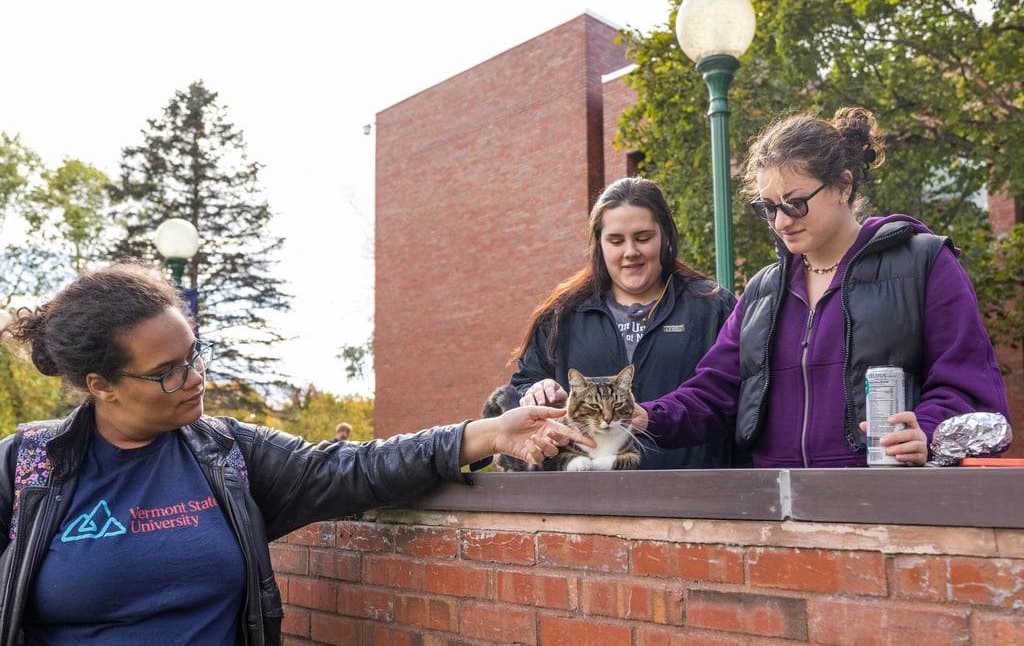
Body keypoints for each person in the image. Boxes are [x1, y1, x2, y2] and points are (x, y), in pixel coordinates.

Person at [0, 262, 591, 645]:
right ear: (102, 384)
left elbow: (352, 467)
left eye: (194, 355)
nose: (195, 378)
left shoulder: (228, 453)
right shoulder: (25, 469)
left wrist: (486, 434)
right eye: (167, 373)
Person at [633, 107, 1011, 468]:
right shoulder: (762, 291)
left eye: (795, 204)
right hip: (778, 511)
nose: (781, 222)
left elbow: (968, 384)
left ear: (843, 186)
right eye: (768, 207)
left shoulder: (924, 263)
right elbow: (714, 395)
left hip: (892, 502)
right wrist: (643, 416)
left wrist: (926, 432)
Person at [509, 176, 745, 469]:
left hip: (692, 499)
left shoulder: (712, 306)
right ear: (599, 244)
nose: (630, 251)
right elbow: (518, 391)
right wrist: (534, 391)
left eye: (643, 237)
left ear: (666, 237)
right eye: (616, 240)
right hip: (587, 502)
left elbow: (737, 399)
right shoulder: (563, 314)